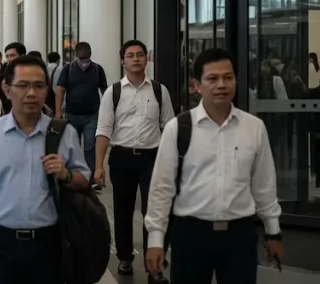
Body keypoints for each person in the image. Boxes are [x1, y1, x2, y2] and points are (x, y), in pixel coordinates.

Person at [144, 48, 284, 284]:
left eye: (228, 77)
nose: (222, 84)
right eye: (212, 78)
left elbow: (264, 186)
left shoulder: (254, 128)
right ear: (197, 85)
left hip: (239, 237)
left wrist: (274, 232)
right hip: (191, 235)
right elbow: (161, 189)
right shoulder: (178, 128)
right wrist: (156, 241)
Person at [0, 56, 91, 283]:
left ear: (46, 90)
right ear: (7, 90)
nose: (31, 93)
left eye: (39, 86)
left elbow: (84, 181)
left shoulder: (63, 134)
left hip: (48, 245)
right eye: (23, 85)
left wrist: (65, 174)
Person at [94, 40, 174, 281]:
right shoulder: (114, 91)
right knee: (123, 210)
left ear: (147, 59)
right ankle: (125, 257)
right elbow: (103, 129)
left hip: (153, 158)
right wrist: (99, 165)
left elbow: (169, 128)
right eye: (130, 55)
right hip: (121, 157)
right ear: (123, 61)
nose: (136, 59)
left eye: (140, 55)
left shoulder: (160, 90)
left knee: (156, 211)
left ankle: (155, 262)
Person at [55, 41, 109, 189]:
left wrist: (107, 111)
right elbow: (60, 90)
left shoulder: (97, 70)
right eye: (81, 58)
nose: (85, 62)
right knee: (72, 146)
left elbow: (105, 91)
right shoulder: (68, 69)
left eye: (87, 58)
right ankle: (73, 176)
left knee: (90, 146)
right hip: (72, 114)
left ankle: (90, 180)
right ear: (76, 56)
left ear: (91, 55)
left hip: (91, 114)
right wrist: (58, 112)